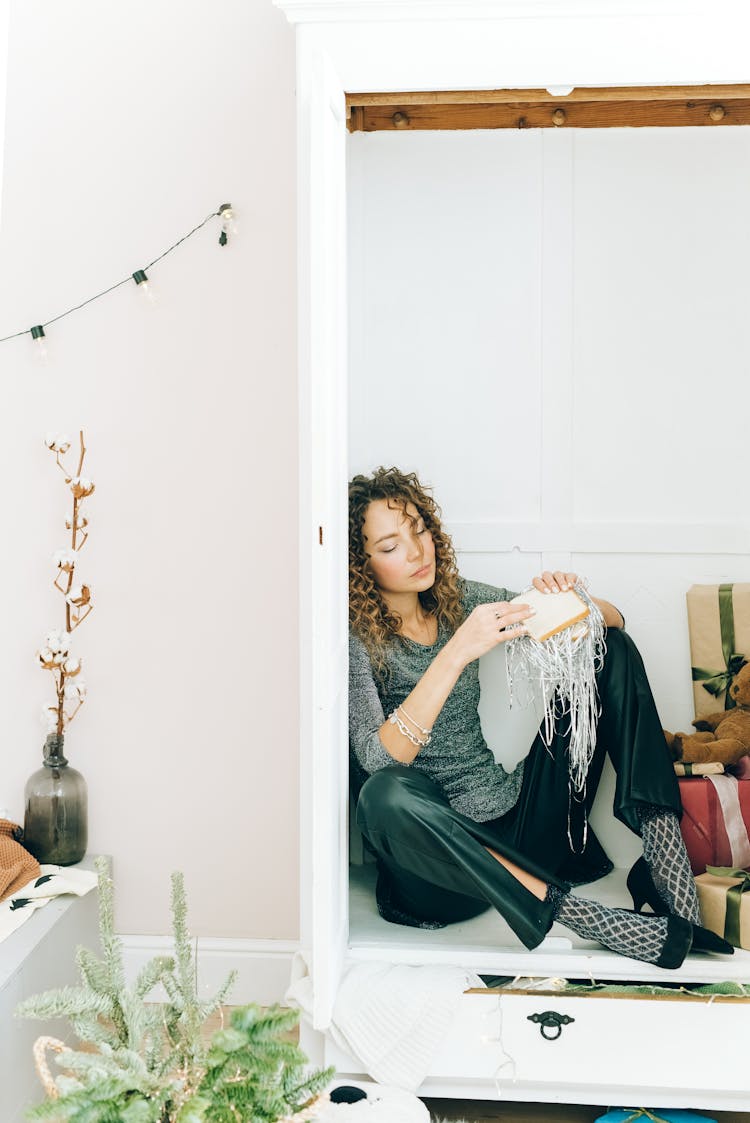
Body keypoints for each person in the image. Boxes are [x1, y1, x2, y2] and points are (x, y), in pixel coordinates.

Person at [348, 466, 733, 969]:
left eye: (418, 528)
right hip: (441, 872)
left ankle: (668, 869)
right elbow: (377, 759)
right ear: (362, 564)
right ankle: (583, 917)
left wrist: (568, 597)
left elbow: (611, 621)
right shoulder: (356, 640)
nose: (417, 551)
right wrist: (456, 652)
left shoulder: (457, 598)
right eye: (391, 545)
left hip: (520, 830)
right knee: (384, 793)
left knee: (607, 649)